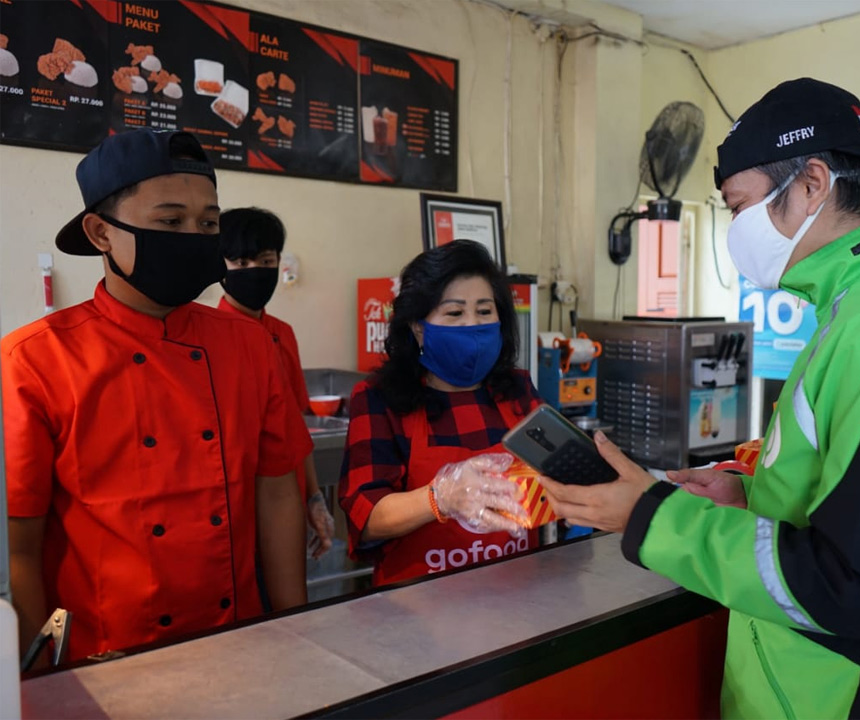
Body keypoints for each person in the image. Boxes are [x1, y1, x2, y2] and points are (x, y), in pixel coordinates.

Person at [540, 78, 860, 719]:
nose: (736, 230)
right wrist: (749, 499)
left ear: (813, 184)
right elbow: (859, 508)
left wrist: (651, 517)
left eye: (739, 207)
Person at [3, 130, 311, 665]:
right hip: (102, 662)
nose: (195, 237)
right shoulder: (32, 361)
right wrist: (39, 682)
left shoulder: (249, 345)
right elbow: (17, 548)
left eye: (208, 223)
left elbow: (278, 493)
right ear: (100, 233)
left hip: (238, 643)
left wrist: (296, 632)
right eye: (170, 222)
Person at [340, 240, 536, 586]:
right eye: (455, 313)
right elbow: (364, 517)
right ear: (418, 327)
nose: (472, 326)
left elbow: (560, 479)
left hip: (517, 597)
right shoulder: (378, 399)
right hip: (418, 612)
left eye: (485, 311)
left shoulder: (518, 391)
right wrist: (440, 497)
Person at [217, 207, 335, 559]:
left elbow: (295, 426)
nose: (255, 272)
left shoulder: (282, 334)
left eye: (266, 261)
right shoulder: (209, 338)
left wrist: (314, 498)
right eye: (241, 263)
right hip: (234, 511)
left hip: (287, 502)